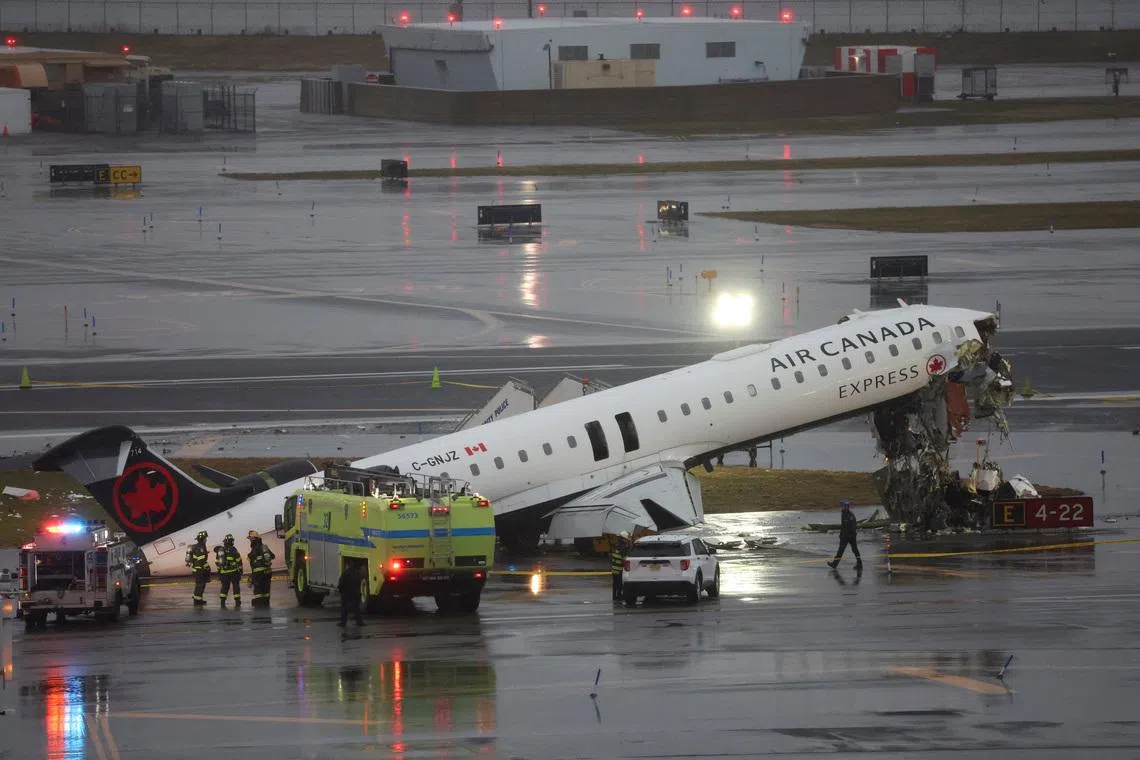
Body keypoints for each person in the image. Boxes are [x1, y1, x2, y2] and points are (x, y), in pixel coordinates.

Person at [827, 500, 863, 571]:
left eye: (845, 506)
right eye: (843, 506)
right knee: (845, 550)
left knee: (852, 550)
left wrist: (847, 535)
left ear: (848, 507)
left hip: (849, 536)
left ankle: (859, 564)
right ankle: (835, 563)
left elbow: (852, 526)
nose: (843, 508)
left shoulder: (850, 515)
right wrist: (841, 534)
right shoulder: (843, 514)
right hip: (846, 535)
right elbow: (843, 526)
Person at [246, 530, 276, 608]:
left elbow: (251, 559)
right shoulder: (264, 547)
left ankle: (259, 608)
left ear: (253, 539)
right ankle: (266, 605)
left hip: (258, 574)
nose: (250, 541)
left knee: (258, 591)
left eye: (250, 539)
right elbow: (273, 556)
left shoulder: (254, 549)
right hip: (267, 572)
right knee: (266, 590)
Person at [216, 534, 244, 608]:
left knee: (224, 587)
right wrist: (241, 570)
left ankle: (222, 602)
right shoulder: (233, 549)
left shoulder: (220, 550)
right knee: (236, 586)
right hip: (233, 571)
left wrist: (219, 572)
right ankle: (237, 601)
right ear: (231, 541)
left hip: (223, 573)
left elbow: (217, 562)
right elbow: (238, 560)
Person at [185, 531, 211, 607]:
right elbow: (201, 560)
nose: (206, 539)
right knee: (200, 584)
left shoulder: (196, 546)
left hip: (196, 569)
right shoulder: (201, 547)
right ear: (203, 539)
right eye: (205, 538)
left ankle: (198, 599)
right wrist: (206, 567)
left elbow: (198, 559)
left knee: (199, 584)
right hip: (199, 569)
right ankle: (197, 601)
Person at [337, 560, 364, 627]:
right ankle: (359, 622)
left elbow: (341, 583)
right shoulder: (357, 573)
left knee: (344, 608)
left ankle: (343, 622)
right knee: (356, 608)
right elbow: (359, 581)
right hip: (356, 593)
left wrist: (341, 591)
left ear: (347, 565)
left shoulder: (345, 573)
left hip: (347, 593)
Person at [611, 531, 631, 602]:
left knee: (615, 583)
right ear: (624, 539)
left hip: (614, 568)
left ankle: (614, 596)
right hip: (619, 568)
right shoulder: (623, 547)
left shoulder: (616, 545)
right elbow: (625, 559)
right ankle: (619, 596)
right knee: (619, 583)